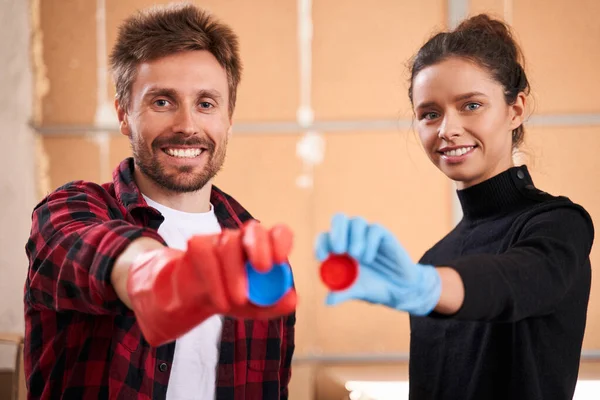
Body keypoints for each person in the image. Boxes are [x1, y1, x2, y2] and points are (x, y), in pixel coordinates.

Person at [24, 3, 296, 399]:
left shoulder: (258, 255)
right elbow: (98, 251)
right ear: (124, 114)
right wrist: (157, 277)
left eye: (206, 104)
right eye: (162, 102)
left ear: (228, 119)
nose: (187, 126)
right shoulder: (69, 210)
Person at [315, 14, 594, 400]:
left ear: (516, 110)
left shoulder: (559, 225)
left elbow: (516, 279)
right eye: (430, 114)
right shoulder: (434, 259)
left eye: (471, 105)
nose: (447, 129)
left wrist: (427, 287)